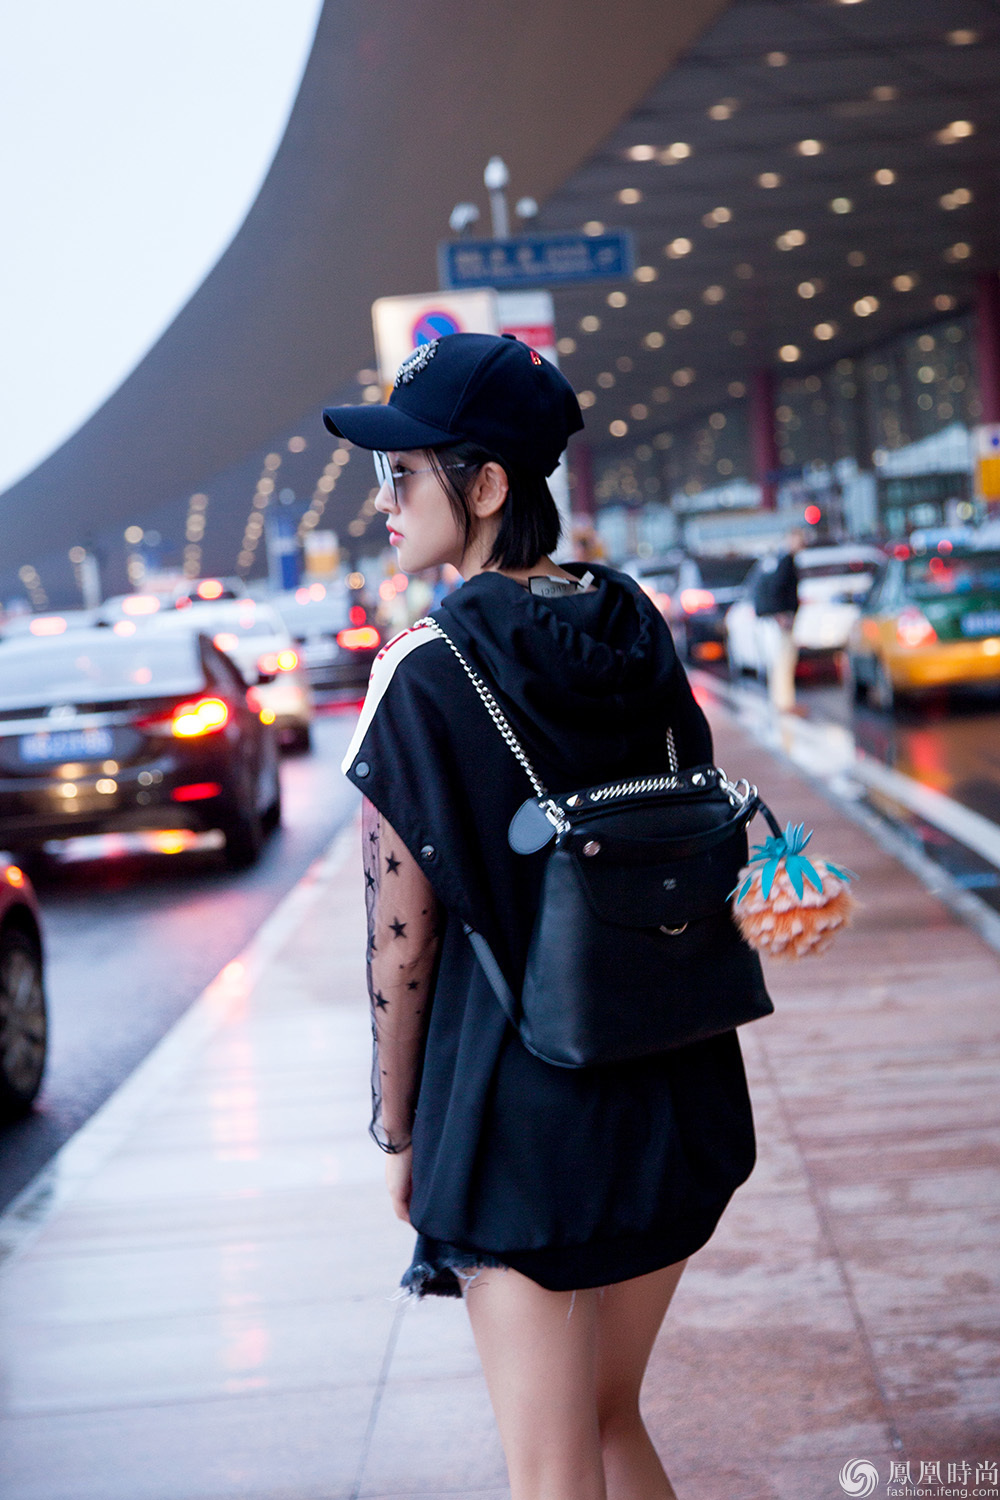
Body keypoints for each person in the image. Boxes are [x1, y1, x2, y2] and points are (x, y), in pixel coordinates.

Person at [323, 332, 757, 1500]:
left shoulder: (423, 668)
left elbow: (400, 944)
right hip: (675, 1089)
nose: (384, 504)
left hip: (520, 1114)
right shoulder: (633, 626)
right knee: (609, 1421)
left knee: (550, 1467)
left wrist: (400, 1133)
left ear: (486, 488)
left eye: (402, 475)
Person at [753, 529, 803, 712]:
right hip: (784, 616)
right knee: (785, 659)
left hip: (784, 615)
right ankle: (785, 702)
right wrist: (781, 614)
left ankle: (782, 700)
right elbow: (777, 588)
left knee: (783, 659)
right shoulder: (786, 561)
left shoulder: (783, 560)